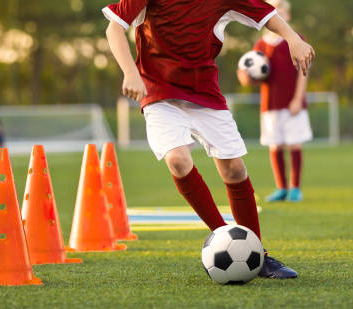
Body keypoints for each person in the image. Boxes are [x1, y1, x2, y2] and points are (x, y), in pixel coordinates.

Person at [103, 0, 314, 278]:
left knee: (234, 168)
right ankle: (224, 238)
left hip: (205, 92)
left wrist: (292, 38)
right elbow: (114, 28)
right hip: (159, 91)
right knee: (178, 160)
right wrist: (130, 71)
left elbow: (266, 14)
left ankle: (257, 254)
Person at [237, 0, 312, 202]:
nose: (278, 14)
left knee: (294, 144)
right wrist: (245, 78)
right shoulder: (261, 45)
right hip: (269, 105)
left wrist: (298, 98)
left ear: (287, 16)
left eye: (282, 11)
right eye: (274, 11)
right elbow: (250, 74)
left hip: (292, 104)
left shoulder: (296, 40)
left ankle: (295, 188)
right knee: (275, 146)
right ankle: (281, 188)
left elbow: (304, 73)